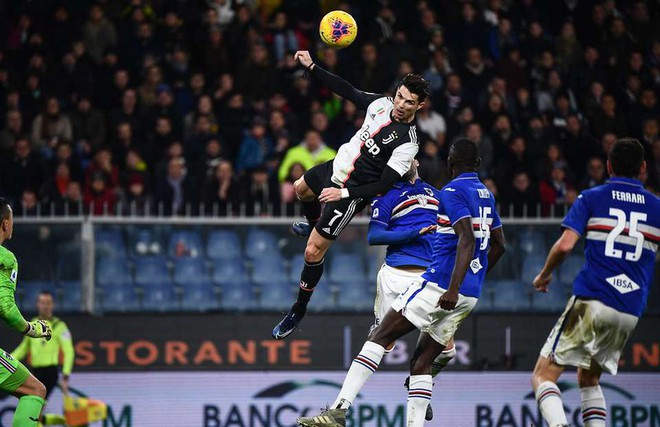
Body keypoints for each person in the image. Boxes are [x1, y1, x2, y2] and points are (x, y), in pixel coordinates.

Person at [297, 139, 506, 427]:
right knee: (404, 352)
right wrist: (418, 235)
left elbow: (468, 240)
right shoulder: (393, 196)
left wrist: (456, 283)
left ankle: (345, 409)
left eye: (410, 157)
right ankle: (367, 412)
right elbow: (497, 245)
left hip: (437, 281)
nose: (407, 161)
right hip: (428, 281)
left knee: (405, 343)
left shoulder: (444, 192)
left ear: (431, 162)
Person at [272, 50, 430, 340]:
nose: (400, 105)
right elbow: (349, 91)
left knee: (312, 251)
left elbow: (381, 187)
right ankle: (313, 222)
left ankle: (298, 309)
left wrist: (342, 192)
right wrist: (313, 67)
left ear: (420, 105)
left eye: (409, 102)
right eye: (399, 96)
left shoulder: (408, 143)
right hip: (337, 167)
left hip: (351, 192)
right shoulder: (382, 104)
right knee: (299, 189)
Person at [531, 138, 660, 427]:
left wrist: (545, 274)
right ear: (642, 168)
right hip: (629, 309)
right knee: (588, 377)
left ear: (609, 166)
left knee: (543, 375)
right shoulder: (657, 207)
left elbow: (565, 245)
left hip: (594, 299)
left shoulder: (592, 198)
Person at [368, 159, 456, 422]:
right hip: (397, 274)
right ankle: (343, 402)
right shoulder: (386, 194)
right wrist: (414, 232)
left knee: (448, 351)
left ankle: (418, 383)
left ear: (416, 161)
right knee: (381, 343)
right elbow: (374, 237)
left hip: (429, 278)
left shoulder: (435, 194)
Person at [0, 197, 53, 426]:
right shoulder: (6, 258)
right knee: (34, 390)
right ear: (5, 224)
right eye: (12, 220)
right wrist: (32, 328)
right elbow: (6, 308)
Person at [12, 291, 75, 426]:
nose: (45, 306)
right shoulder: (33, 325)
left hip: (50, 373)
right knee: (35, 413)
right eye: (42, 303)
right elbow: (23, 348)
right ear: (37, 304)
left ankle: (61, 421)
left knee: (35, 411)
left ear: (52, 305)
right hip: (35, 372)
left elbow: (69, 351)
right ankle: (63, 421)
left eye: (48, 303)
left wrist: (66, 375)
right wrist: (7, 360)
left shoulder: (59, 326)